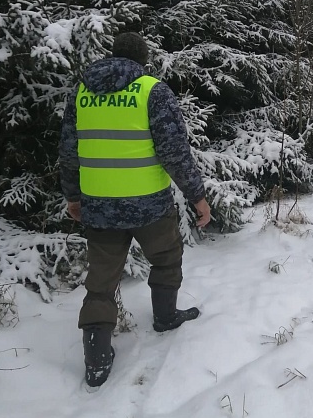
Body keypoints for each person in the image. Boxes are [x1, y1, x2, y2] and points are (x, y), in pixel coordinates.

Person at [59, 32, 211, 387]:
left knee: (101, 280)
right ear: (143, 60)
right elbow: (175, 153)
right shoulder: (152, 91)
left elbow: (68, 152)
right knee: (167, 257)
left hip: (99, 206)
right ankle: (166, 316)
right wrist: (197, 197)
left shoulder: (81, 93)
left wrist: (73, 197)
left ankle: (96, 359)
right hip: (150, 206)